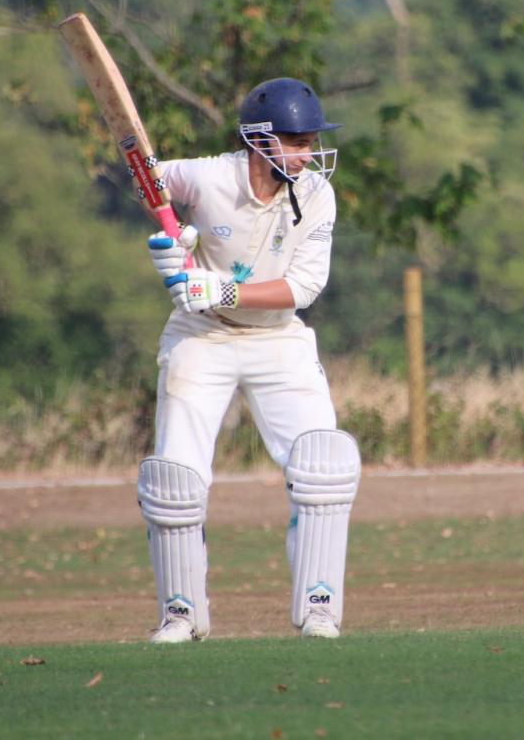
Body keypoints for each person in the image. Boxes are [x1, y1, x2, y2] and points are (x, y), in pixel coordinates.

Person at [137, 77, 361, 643]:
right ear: (260, 140)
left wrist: (221, 288)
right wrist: (172, 244)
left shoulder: (316, 194)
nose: (308, 155)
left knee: (324, 464)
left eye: (311, 142)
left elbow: (303, 288)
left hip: (277, 338)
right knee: (176, 478)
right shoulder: (209, 176)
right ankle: (181, 614)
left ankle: (319, 608)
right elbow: (150, 181)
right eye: (298, 142)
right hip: (201, 336)